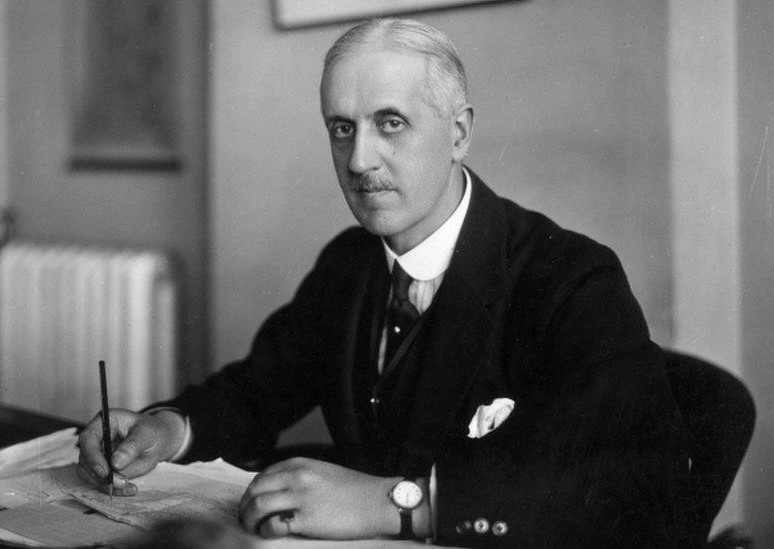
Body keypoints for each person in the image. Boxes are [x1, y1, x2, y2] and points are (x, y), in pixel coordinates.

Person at [78, 18, 689, 547]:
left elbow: (629, 484)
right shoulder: (351, 261)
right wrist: (168, 427)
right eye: (341, 128)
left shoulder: (572, 279)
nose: (360, 160)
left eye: (390, 123)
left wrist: (396, 503)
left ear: (459, 133)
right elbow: (258, 390)